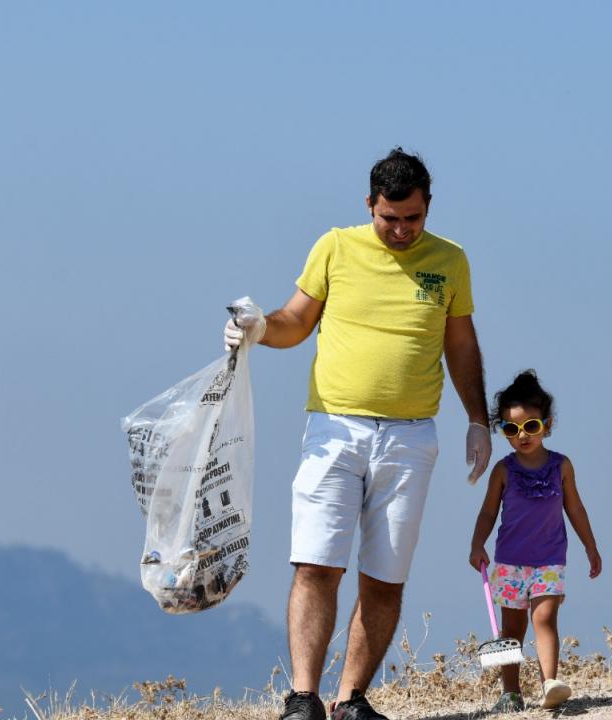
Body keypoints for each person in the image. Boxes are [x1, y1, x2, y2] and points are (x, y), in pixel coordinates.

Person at [224, 148, 491, 720]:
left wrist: (478, 420)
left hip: (411, 435)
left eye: (412, 219)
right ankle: (302, 698)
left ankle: (352, 701)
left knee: (385, 575)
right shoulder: (335, 247)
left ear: (428, 209)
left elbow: (461, 344)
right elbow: (297, 321)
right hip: (335, 428)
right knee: (317, 563)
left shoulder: (451, 260)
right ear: (369, 204)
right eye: (388, 218)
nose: (400, 230)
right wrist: (258, 328)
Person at [467, 370, 602, 711]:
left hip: (549, 560)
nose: (522, 435)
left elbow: (575, 508)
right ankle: (510, 693)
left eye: (531, 426)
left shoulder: (561, 466)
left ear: (547, 425)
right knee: (512, 629)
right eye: (512, 429)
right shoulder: (503, 470)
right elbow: (487, 513)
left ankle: (550, 686)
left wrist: (590, 546)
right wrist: (476, 543)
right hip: (510, 562)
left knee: (545, 620)